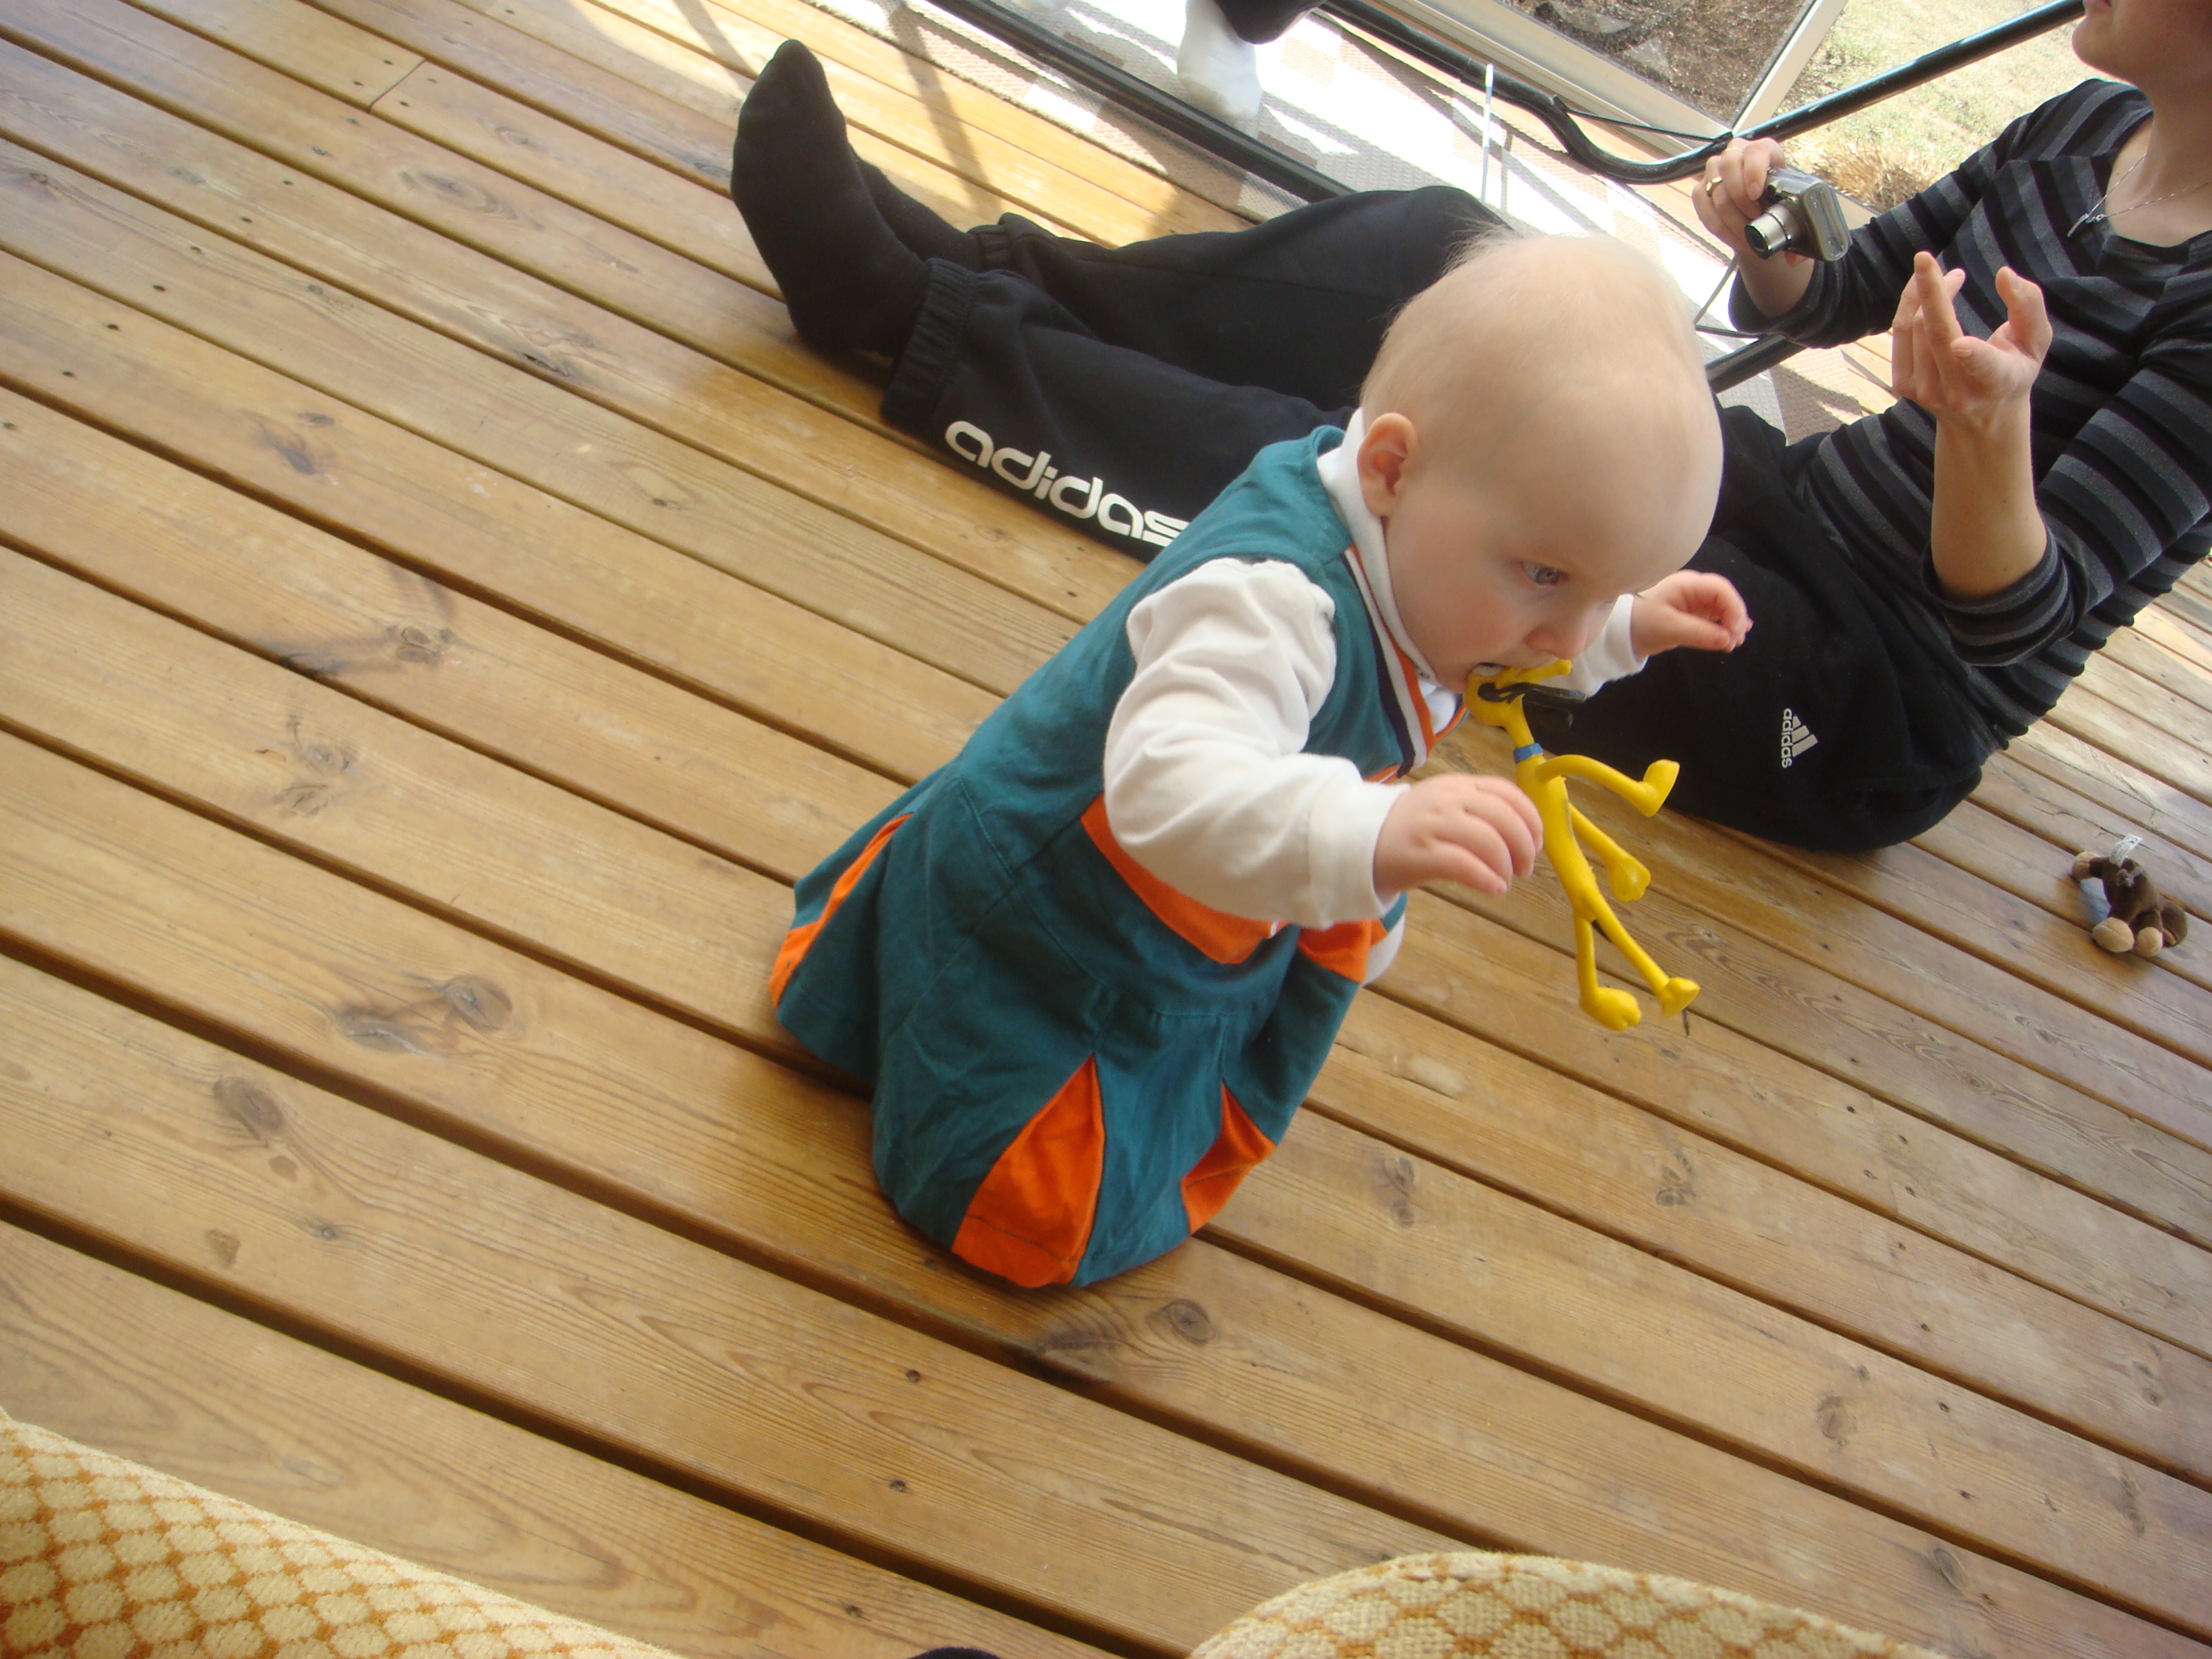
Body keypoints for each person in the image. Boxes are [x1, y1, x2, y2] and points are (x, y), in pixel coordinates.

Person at [733, 0, 2212, 852]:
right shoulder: (2087, 130)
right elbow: (1841, 294)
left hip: (1864, 686)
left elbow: (2013, 617)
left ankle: (903, 321)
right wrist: (1770, 241)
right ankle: (981, 270)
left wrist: (1985, 434)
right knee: (1463, 271)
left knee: (1427, 507)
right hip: (1776, 498)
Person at [766, 233, 1746, 1288]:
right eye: (1549, 576)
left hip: (1191, 904)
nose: (1562, 632)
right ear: (1391, 470)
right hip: (1058, 920)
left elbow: (1526, 655)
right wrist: (1367, 829)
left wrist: (1624, 632)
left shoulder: (1423, 560)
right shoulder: (1272, 603)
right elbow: (1167, 788)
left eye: (1605, 591)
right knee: (1020, 1209)